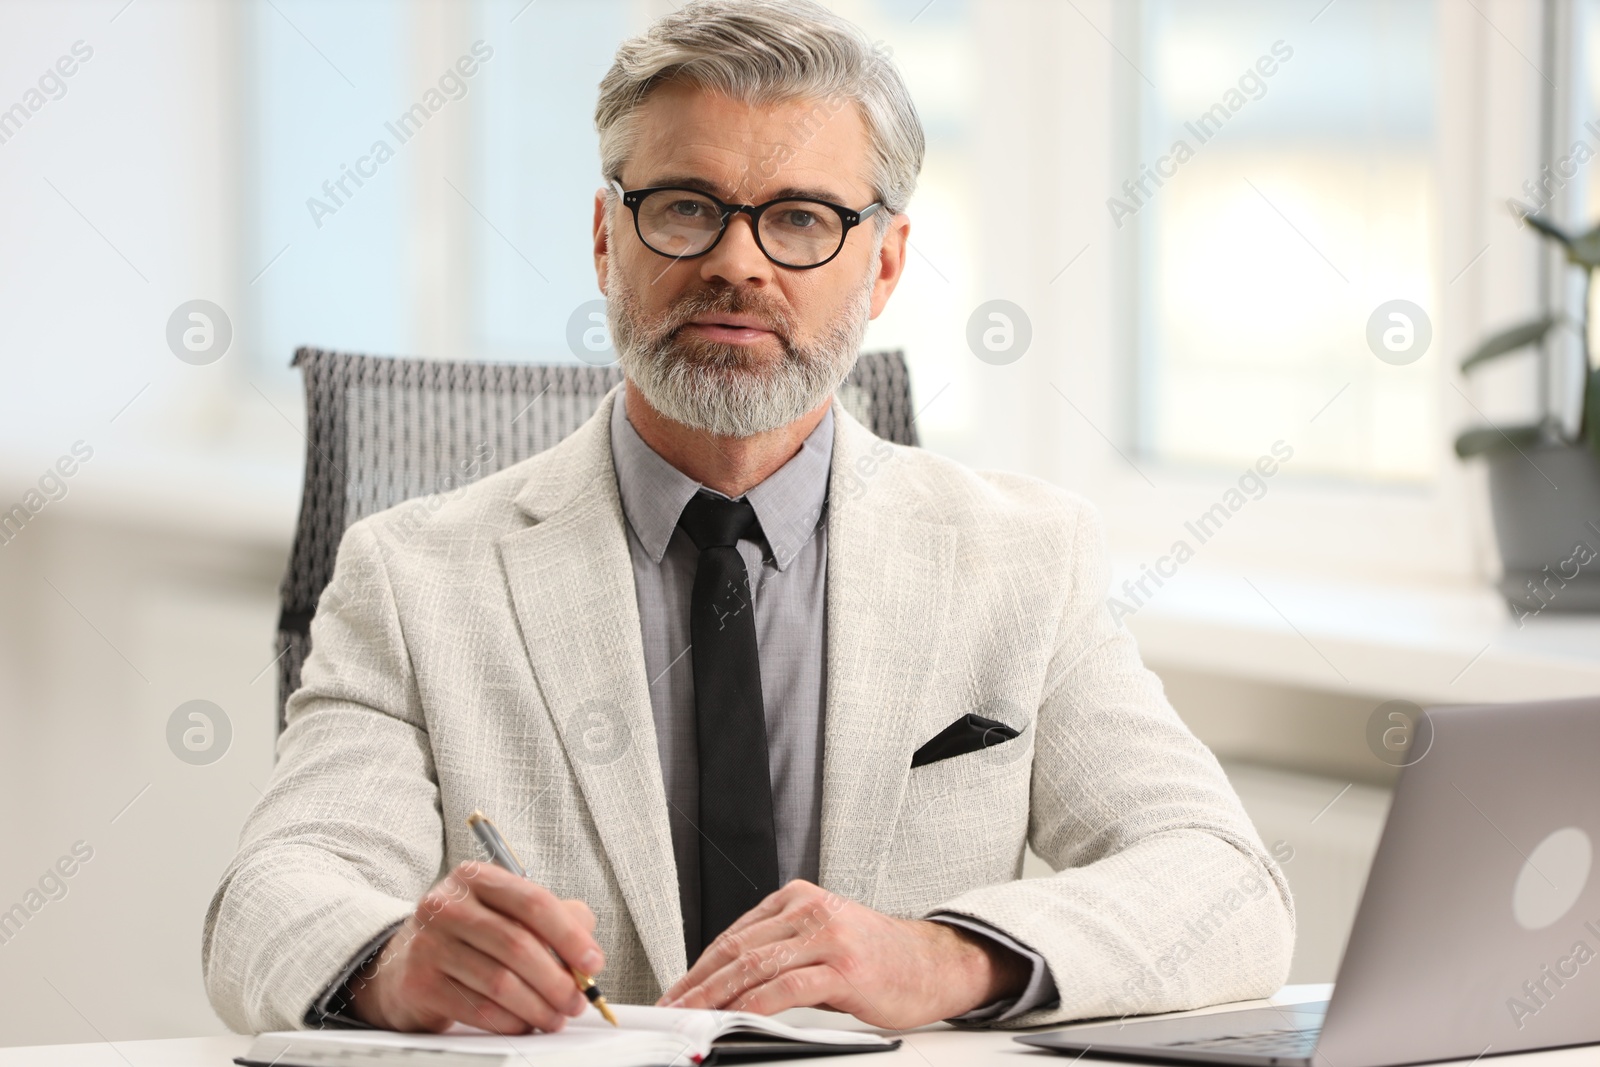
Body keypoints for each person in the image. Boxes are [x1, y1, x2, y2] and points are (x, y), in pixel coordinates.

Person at [202, 0, 1293, 1037]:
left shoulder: (1022, 559)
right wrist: (394, 962)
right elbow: (271, 898)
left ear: (887, 262)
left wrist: (941, 956)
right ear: (603, 237)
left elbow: (1225, 882)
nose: (737, 261)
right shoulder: (412, 574)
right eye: (685, 206)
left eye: (801, 219)